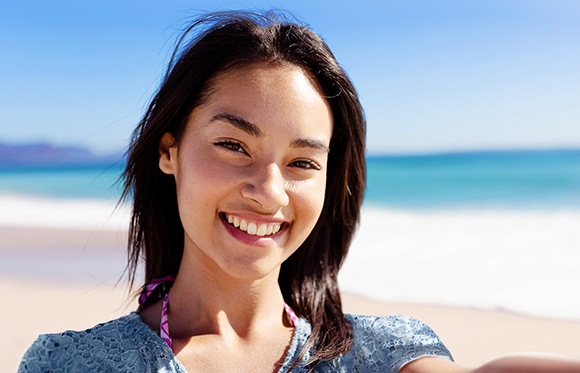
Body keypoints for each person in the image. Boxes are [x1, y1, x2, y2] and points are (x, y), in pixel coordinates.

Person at [19, 11, 580, 373]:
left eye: (302, 162)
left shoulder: (377, 357)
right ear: (168, 151)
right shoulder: (72, 362)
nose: (268, 191)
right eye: (233, 146)